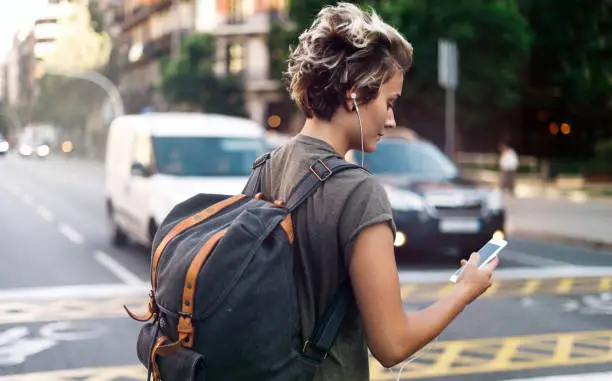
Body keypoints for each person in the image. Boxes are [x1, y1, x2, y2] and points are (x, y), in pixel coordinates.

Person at [259, 3, 498, 380]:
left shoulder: (265, 168)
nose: (392, 119)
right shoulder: (358, 192)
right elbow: (391, 344)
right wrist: (464, 291)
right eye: (389, 102)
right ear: (354, 95)